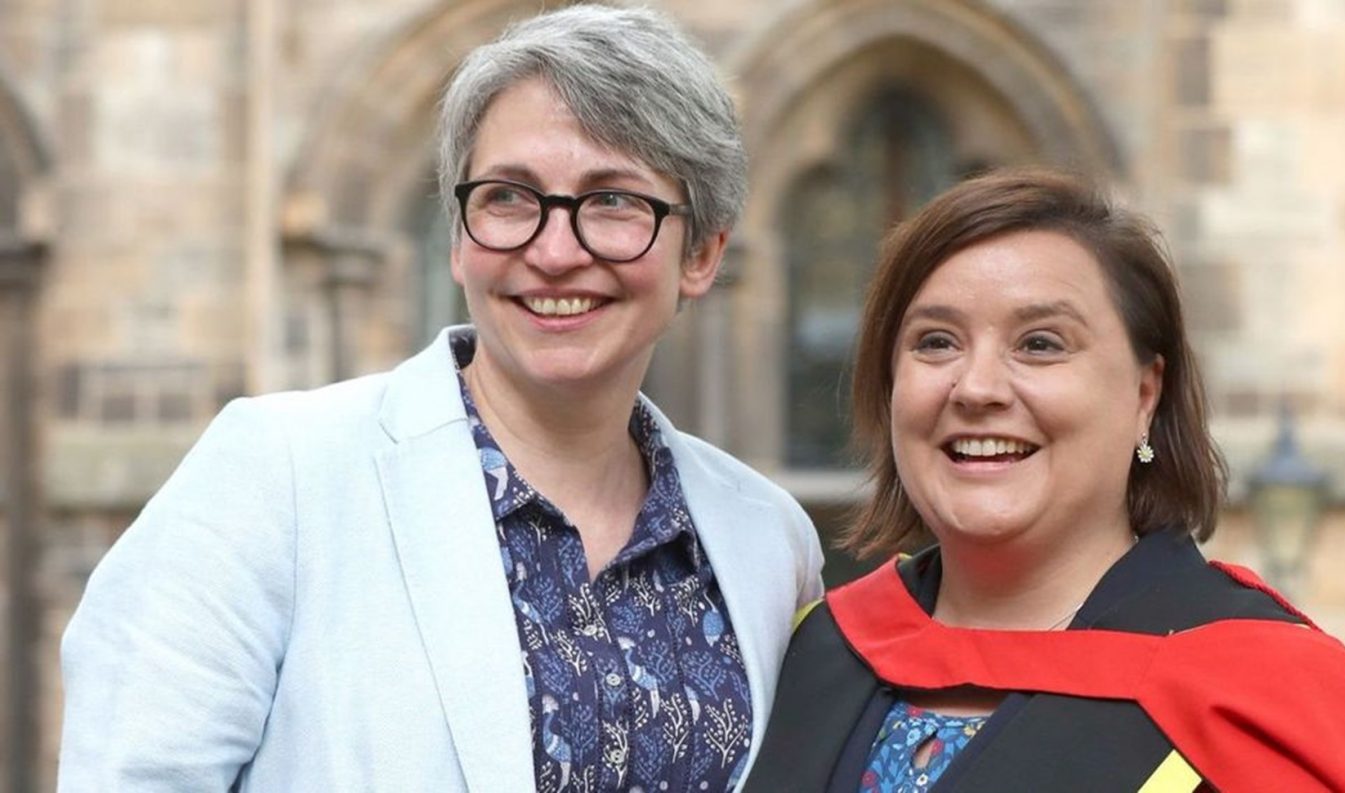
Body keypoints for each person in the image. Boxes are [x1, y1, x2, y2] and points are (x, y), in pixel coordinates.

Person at [58, 6, 823, 791]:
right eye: (509, 199)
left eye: (613, 202)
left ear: (701, 253)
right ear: (458, 237)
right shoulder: (274, 477)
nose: (554, 252)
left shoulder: (768, 542)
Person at [741, 169, 1345, 792]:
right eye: (936, 342)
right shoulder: (808, 655)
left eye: (1041, 343)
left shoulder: (1272, 703)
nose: (976, 386)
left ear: (1145, 393)